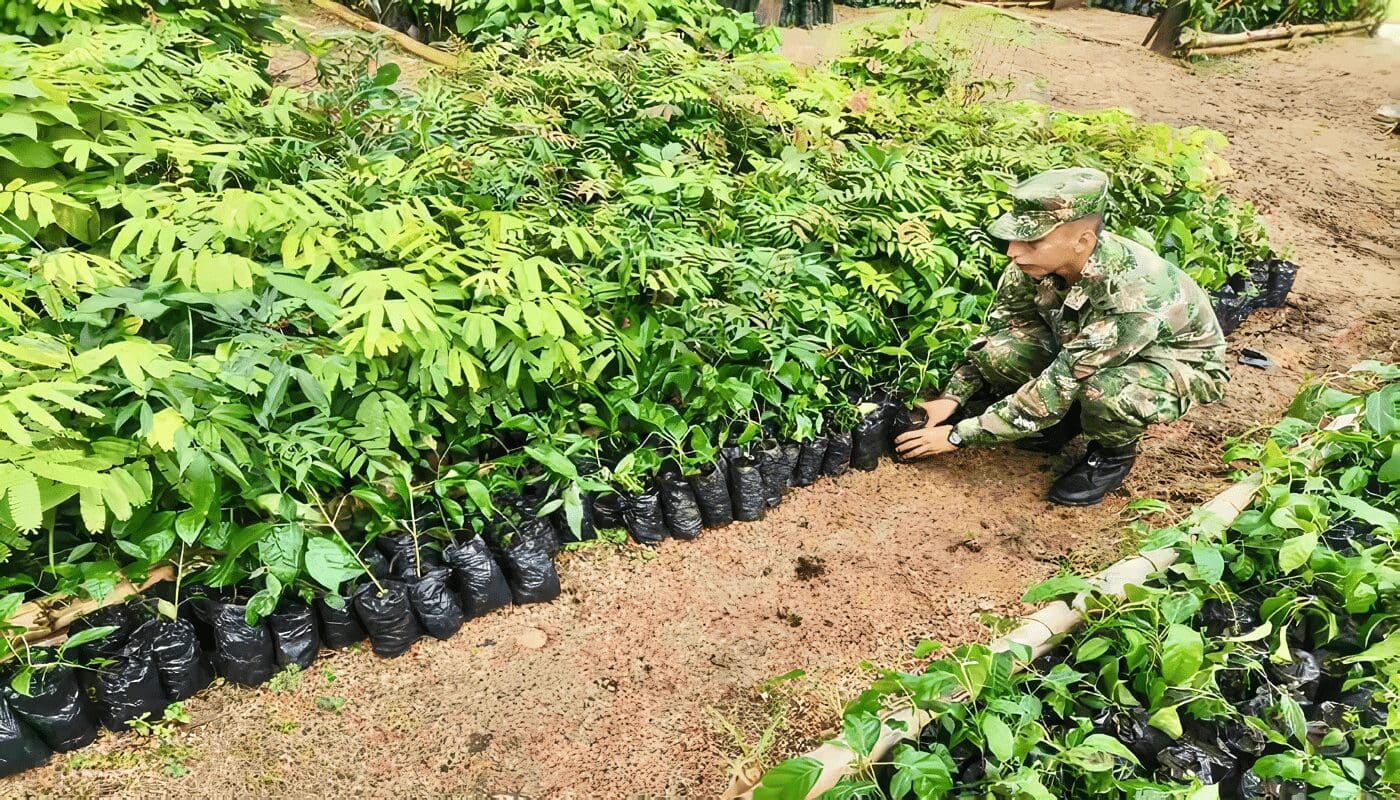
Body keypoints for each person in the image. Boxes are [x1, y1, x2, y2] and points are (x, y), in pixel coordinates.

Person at [894, 167, 1230, 506]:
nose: (1013, 251)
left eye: (1031, 241)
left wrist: (958, 435)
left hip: (1172, 365)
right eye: (1013, 237)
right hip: (1086, 350)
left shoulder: (1135, 294)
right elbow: (999, 330)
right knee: (999, 352)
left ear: (1082, 241)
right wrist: (952, 399)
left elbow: (1063, 380)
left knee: (1105, 390)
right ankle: (1068, 422)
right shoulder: (1029, 266)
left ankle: (1112, 453)